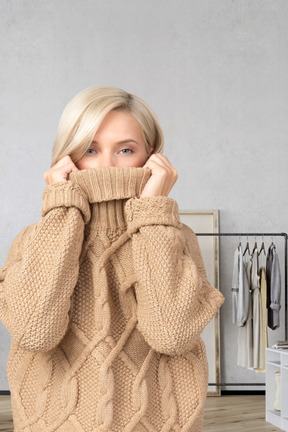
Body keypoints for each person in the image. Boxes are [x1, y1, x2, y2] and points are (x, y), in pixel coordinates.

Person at [0, 86, 224, 432]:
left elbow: (172, 336)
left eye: (125, 149)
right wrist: (61, 209)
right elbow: (35, 333)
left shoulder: (172, 236)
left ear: (151, 156)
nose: (105, 164)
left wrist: (151, 214)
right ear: (67, 158)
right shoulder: (35, 240)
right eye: (90, 149)